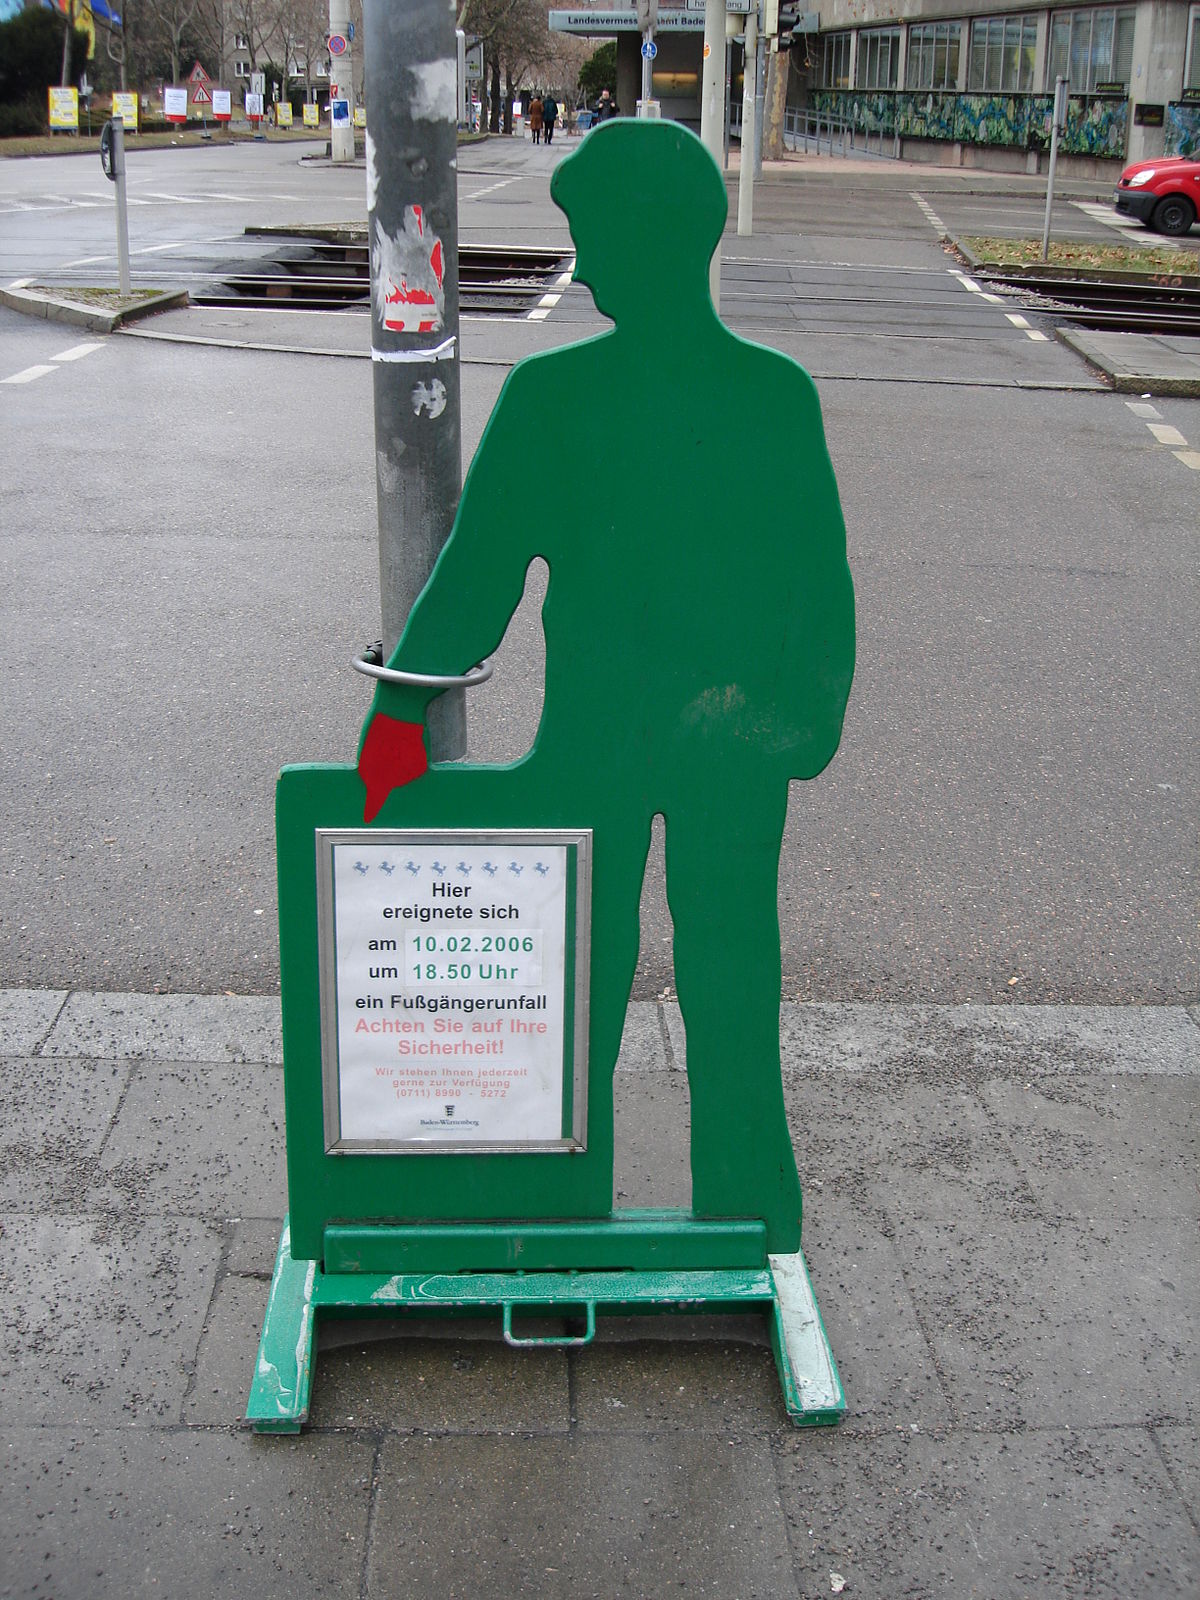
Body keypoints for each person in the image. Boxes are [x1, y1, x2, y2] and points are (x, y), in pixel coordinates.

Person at [357, 121, 855, 1251]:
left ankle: (583, 1205)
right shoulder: (763, 394)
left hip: (642, 739)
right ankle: (737, 1214)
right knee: (687, 979)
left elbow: (474, 582)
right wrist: (792, 724)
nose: (584, 267)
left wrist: (392, 727)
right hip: (704, 740)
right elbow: (819, 593)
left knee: (598, 979)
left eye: (594, 240)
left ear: (654, 238)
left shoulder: (563, 398)